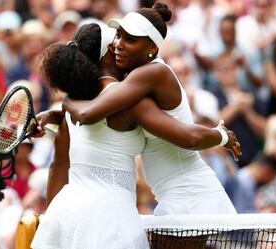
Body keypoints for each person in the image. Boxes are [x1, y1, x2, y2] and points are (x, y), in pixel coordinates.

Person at [32, 20, 239, 249]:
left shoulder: (73, 103)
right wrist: (222, 136)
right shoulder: (131, 102)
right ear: (111, 50)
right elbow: (188, 137)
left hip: (65, 213)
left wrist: (51, 218)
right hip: (110, 220)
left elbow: (58, 166)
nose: (121, 45)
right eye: (118, 40)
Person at [63, 3, 238, 217]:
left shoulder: (152, 73)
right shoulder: (135, 78)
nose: (118, 45)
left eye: (130, 39)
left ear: (152, 49)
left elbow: (87, 114)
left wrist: (66, 102)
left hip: (189, 195)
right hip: (174, 195)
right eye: (118, 36)